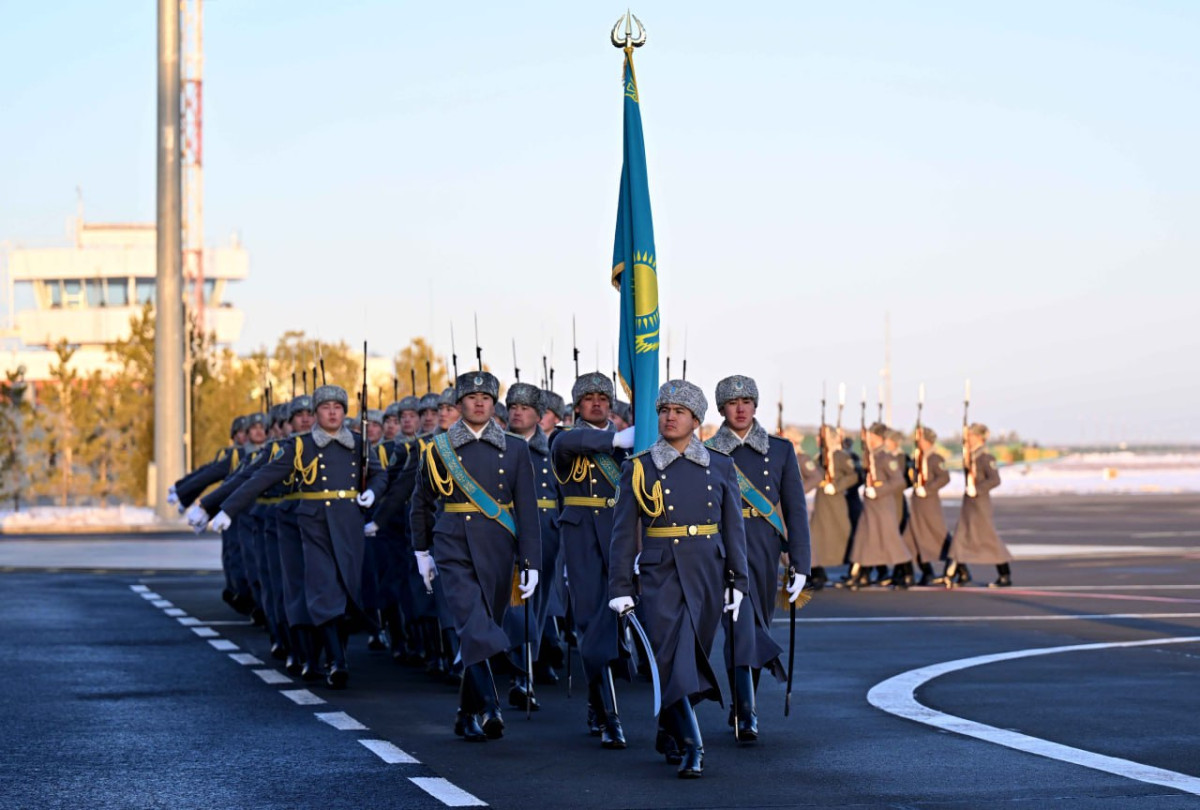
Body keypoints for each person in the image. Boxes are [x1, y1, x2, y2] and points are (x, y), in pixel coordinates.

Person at [198, 385, 386, 689]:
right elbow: (261, 477)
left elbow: (379, 474)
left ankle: (334, 655)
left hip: (349, 525)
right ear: (316, 413)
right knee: (324, 590)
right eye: (325, 407)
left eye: (338, 407)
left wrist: (373, 492)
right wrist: (226, 509)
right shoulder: (301, 446)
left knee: (346, 590)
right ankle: (336, 661)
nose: (332, 413)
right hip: (314, 524)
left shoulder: (358, 444)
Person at [609, 380, 750, 779]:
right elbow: (623, 534)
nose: (670, 417)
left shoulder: (720, 465)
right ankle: (693, 745)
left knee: (694, 656)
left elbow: (733, 529)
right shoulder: (639, 467)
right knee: (672, 656)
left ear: (696, 420)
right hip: (661, 572)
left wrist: (738, 581)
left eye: (680, 412)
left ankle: (668, 729)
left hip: (707, 569)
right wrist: (620, 588)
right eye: (664, 411)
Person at [410, 372, 541, 742]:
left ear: (494, 403)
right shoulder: (438, 448)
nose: (479, 402)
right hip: (453, 542)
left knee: (480, 628)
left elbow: (527, 509)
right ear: (459, 404)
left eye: (486, 397)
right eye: (472, 397)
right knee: (472, 622)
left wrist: (530, 562)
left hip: (499, 546)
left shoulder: (515, 448)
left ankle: (465, 713)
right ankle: (489, 706)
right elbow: (421, 503)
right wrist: (422, 551)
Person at [705, 375, 809, 743]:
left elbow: (795, 509)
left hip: (765, 546)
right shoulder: (708, 451)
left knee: (757, 625)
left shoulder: (780, 450)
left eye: (747, 401)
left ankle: (741, 703)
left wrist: (801, 562)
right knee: (740, 624)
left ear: (755, 405)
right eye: (733, 402)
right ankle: (747, 709)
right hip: (723, 546)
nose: (741, 408)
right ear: (722, 409)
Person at [549, 372, 633, 749]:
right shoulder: (565, 439)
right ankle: (610, 717)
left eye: (603, 397)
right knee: (592, 623)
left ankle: (597, 703)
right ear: (577, 406)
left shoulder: (629, 445)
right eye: (588, 398)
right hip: (582, 540)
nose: (596, 403)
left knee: (614, 625)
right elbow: (569, 443)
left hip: (621, 538)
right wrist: (615, 440)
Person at [499, 382, 561, 710]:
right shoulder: (496, 448)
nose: (517, 413)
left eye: (525, 408)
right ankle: (521, 675)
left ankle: (526, 670)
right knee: (516, 603)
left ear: (539, 415)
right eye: (513, 407)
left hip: (545, 533)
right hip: (505, 530)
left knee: (536, 603)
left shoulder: (552, 451)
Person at [942, 423, 1012, 587]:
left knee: (988, 539)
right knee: (960, 537)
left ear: (980, 438)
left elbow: (995, 480)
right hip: (968, 503)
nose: (968, 439)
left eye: (971, 436)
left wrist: (978, 489)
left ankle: (1004, 574)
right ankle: (960, 573)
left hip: (980, 503)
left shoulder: (986, 458)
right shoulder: (970, 456)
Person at [843, 423, 912, 589]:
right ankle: (860, 574)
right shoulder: (872, 455)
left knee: (891, 540)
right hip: (870, 505)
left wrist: (878, 491)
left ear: (876, 437)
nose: (867, 438)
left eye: (870, 436)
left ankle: (907, 573)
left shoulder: (886, 457)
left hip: (882, 505)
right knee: (864, 539)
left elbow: (899, 481)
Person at [809, 425, 859, 589]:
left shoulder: (841, 456)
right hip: (822, 502)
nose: (818, 440)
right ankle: (817, 572)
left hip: (836, 501)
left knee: (843, 535)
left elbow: (853, 476)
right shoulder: (820, 457)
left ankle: (856, 568)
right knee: (814, 537)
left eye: (821, 437)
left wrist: (837, 486)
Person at [904, 426, 950, 586]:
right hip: (917, 505)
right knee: (909, 541)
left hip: (930, 504)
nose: (918, 442)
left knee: (939, 537)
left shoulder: (935, 459)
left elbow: (944, 478)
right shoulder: (917, 459)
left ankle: (959, 567)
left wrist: (928, 489)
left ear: (928, 441)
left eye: (921, 439)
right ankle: (925, 572)